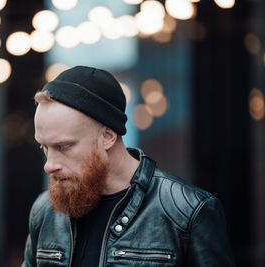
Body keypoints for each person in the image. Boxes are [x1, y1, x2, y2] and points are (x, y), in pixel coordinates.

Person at [22, 66, 234, 266]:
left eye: (63, 146)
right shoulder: (45, 210)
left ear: (107, 136)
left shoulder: (188, 212)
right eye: (44, 148)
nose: (49, 165)